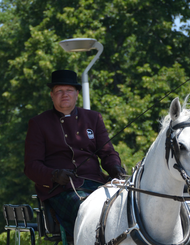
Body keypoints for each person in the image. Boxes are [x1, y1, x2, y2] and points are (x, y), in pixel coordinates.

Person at [24, 70, 125, 236]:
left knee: (125, 204)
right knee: (87, 210)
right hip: (61, 189)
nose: (65, 95)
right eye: (59, 91)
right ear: (52, 95)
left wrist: (115, 167)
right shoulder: (39, 123)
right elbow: (31, 166)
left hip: (96, 182)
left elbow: (108, 152)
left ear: (77, 94)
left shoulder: (93, 118)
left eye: (69, 90)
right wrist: (54, 175)